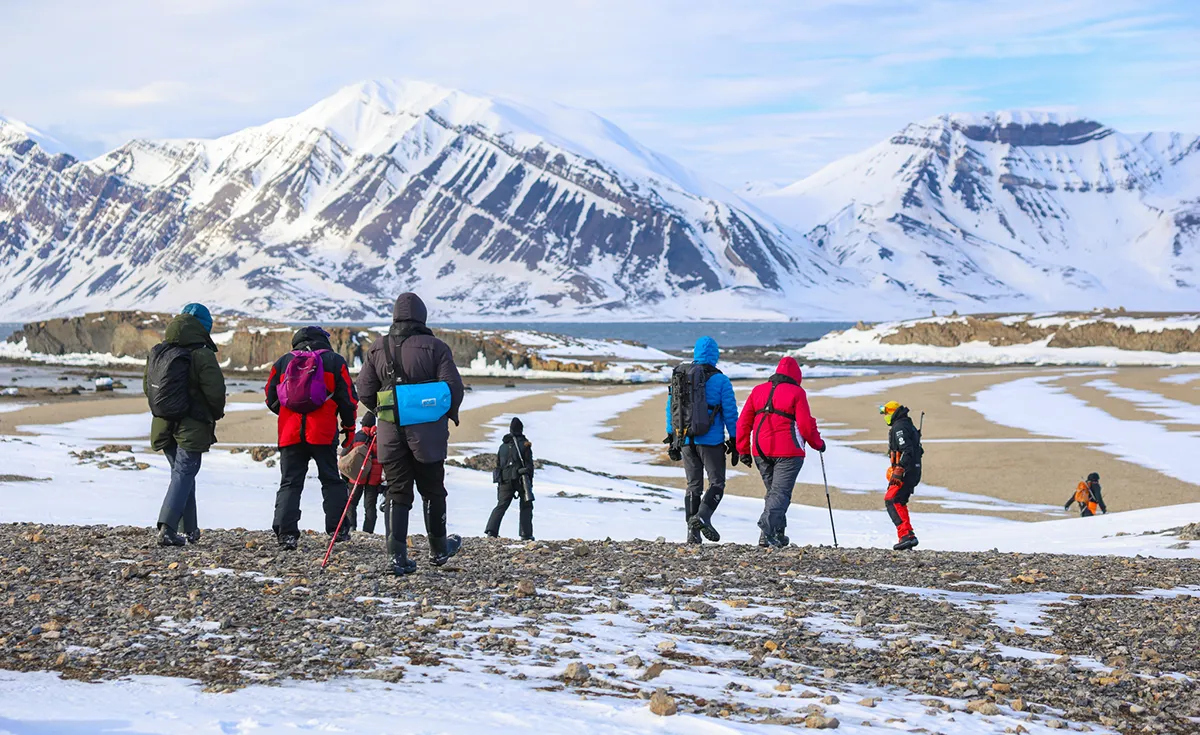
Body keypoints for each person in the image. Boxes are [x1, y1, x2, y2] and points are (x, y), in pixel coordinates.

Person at [356, 293, 465, 575]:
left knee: (396, 491)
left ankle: (397, 558)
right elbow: (453, 389)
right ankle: (439, 550)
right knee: (433, 490)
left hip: (390, 433)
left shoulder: (378, 348)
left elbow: (365, 391)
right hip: (428, 435)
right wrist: (446, 414)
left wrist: (387, 412)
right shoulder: (436, 347)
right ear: (422, 316)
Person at [265, 326, 358, 551]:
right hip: (323, 432)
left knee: (290, 481)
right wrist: (349, 428)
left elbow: (270, 396)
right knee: (331, 479)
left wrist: (289, 413)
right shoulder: (335, 361)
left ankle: (286, 534)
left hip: (290, 432)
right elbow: (348, 399)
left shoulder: (283, 361)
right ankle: (338, 530)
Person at [145, 303, 226, 547]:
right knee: (184, 473)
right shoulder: (202, 354)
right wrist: (214, 413)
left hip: (162, 422)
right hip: (191, 425)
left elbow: (147, 388)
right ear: (203, 327)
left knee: (182, 474)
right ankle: (167, 528)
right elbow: (216, 391)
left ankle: (190, 529)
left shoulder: (159, 351)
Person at [735, 356, 825, 547]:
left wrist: (743, 450)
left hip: (760, 450)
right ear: (796, 376)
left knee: (773, 493)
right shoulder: (797, 392)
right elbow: (806, 426)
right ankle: (767, 528)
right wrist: (818, 444)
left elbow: (743, 423)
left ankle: (775, 535)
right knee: (780, 493)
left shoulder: (758, 391)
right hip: (788, 451)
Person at [664, 336, 739, 544]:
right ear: (715, 355)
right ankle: (703, 517)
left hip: (685, 438)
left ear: (695, 352)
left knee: (693, 485)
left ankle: (692, 534)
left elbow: (671, 408)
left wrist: (673, 437)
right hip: (711, 441)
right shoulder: (721, 380)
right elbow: (731, 414)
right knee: (717, 482)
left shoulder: (681, 375)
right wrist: (736, 440)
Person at [880, 400, 922, 551]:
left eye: (885, 413)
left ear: (892, 412)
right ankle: (908, 536)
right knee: (900, 501)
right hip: (913, 470)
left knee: (892, 500)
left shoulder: (899, 427)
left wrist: (899, 470)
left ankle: (905, 535)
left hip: (905, 471)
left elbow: (907, 450)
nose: (884, 416)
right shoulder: (906, 424)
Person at [485, 417, 536, 540]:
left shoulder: (502, 446)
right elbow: (529, 466)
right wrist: (530, 482)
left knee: (501, 505)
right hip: (520, 479)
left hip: (504, 480)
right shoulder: (524, 444)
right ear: (521, 429)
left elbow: (498, 465)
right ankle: (526, 534)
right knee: (526, 505)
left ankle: (491, 531)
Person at [340, 412, 385, 534]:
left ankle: (351, 527)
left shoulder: (356, 437)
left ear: (363, 424)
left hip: (356, 477)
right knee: (370, 507)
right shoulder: (381, 438)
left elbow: (344, 457)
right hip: (374, 480)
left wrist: (345, 476)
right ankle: (368, 531)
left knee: (351, 503)